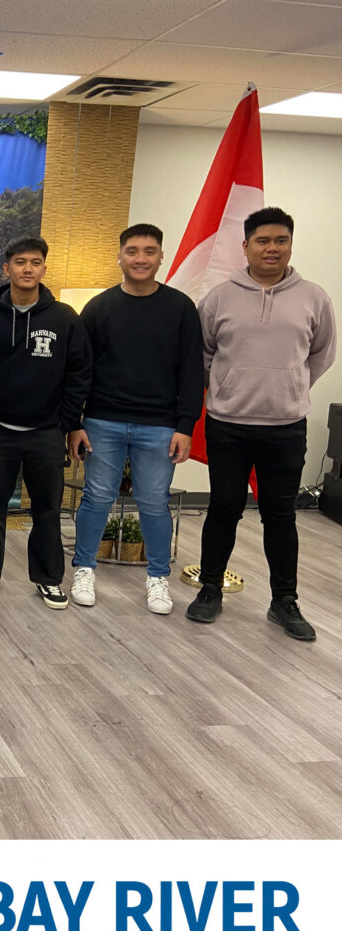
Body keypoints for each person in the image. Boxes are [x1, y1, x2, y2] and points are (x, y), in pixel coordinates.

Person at [186, 207, 336, 640]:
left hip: (285, 425)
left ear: (290, 244)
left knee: (280, 514)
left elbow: (321, 353)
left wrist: (288, 386)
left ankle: (284, 601)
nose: (272, 248)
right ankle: (210, 588)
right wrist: (232, 386)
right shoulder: (219, 298)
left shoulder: (313, 297)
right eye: (263, 241)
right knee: (224, 507)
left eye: (281, 240)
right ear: (246, 246)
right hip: (229, 423)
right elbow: (204, 351)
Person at [67, 223, 204, 615]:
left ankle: (158, 577)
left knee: (154, 503)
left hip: (160, 425)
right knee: (96, 498)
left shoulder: (180, 308)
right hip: (102, 421)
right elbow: (81, 371)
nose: (140, 258)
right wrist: (75, 422)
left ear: (161, 257)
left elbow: (192, 372)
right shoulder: (99, 308)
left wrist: (185, 426)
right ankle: (84, 569)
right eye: (132, 251)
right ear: (120, 257)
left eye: (148, 251)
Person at [0, 236, 90, 610]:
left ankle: (49, 578)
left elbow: (79, 374)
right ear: (6, 269)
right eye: (20, 262)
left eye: (35, 263)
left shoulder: (65, 317)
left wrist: (67, 423)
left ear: (43, 269)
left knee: (47, 509)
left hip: (46, 432)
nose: (27, 269)